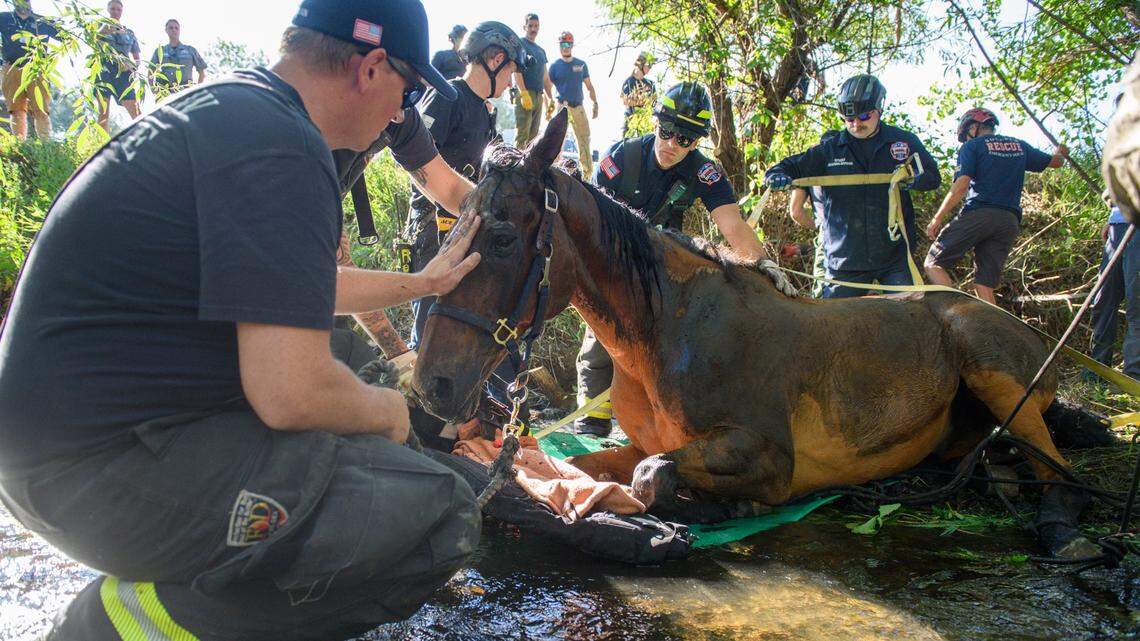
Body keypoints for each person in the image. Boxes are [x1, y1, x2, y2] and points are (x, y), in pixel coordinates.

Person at [0, 0, 489, 638]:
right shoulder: (284, 147)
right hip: (93, 468)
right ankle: (120, 625)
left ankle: (179, 582)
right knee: (438, 512)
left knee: (354, 389)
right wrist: (389, 412)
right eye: (405, 89)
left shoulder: (239, 112)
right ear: (370, 68)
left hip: (56, 447)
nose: (402, 113)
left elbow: (296, 290)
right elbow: (291, 392)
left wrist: (422, 285)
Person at [576, 81, 792, 436]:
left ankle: (662, 423)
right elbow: (587, 221)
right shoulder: (621, 159)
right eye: (667, 132)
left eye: (686, 140)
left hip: (661, 269)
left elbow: (731, 224)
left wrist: (763, 265)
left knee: (667, 342)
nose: (673, 145)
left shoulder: (703, 172)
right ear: (655, 123)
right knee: (601, 341)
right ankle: (590, 423)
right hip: (611, 261)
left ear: (697, 142)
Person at [406, 21, 526, 426]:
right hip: (433, 230)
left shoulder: (484, 113)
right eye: (510, 71)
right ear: (495, 60)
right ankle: (419, 418)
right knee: (430, 323)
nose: (511, 81)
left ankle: (485, 408)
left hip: (466, 229)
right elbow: (413, 156)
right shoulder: (448, 96)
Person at [765, 74, 941, 298]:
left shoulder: (902, 142)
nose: (856, 124)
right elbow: (786, 167)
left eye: (864, 116)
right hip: (845, 261)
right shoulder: (830, 150)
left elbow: (933, 177)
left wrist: (916, 180)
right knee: (833, 328)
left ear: (879, 108)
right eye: (848, 120)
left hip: (893, 256)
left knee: (910, 319)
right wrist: (776, 175)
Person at [923, 108, 1067, 304]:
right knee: (984, 283)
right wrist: (1060, 152)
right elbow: (1056, 162)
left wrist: (937, 218)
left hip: (980, 213)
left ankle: (955, 313)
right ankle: (992, 330)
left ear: (973, 127)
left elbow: (961, 185)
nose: (965, 140)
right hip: (1009, 221)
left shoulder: (972, 146)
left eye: (965, 135)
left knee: (933, 263)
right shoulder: (1019, 146)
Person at [1088, 192, 1140, 379]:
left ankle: (1133, 378)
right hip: (1118, 226)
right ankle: (1098, 369)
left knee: (1137, 306)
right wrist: (1114, 218)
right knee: (1103, 301)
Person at [0, 0, 58, 140]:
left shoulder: (42, 21)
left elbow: (66, 38)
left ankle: (46, 144)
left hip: (36, 69)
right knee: (16, 109)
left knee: (41, 109)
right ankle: (20, 144)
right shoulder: (4, 17)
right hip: (11, 67)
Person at [547, 31, 597, 176]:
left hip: (578, 107)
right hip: (562, 106)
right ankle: (552, 171)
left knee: (584, 139)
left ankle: (587, 174)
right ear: (559, 45)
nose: (565, 47)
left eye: (568, 44)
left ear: (572, 45)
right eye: (563, 44)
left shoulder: (580, 65)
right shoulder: (555, 66)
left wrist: (595, 103)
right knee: (556, 139)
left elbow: (589, 85)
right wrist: (549, 103)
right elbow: (547, 87)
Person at [94, 0, 142, 132]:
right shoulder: (99, 26)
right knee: (103, 114)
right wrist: (106, 28)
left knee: (136, 112)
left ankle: (145, 142)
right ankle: (102, 145)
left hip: (124, 75)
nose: (115, 12)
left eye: (118, 9)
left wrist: (131, 66)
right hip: (104, 71)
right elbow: (95, 40)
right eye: (113, 9)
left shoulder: (129, 33)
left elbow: (137, 59)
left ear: (122, 11)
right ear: (108, 10)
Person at [511, 12, 551, 149]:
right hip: (525, 94)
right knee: (522, 135)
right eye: (530, 26)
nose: (533, 29)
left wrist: (550, 99)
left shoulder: (541, 51)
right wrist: (523, 92)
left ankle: (529, 169)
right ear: (525, 27)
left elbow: (545, 77)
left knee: (533, 138)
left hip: (538, 96)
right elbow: (516, 69)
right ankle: (516, 168)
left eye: (536, 26)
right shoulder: (520, 44)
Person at [149, 18, 208, 98]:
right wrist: (154, 89)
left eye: (176, 28)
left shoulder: (190, 50)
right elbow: (151, 71)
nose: (174, 30)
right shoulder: (160, 51)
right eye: (171, 28)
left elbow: (201, 71)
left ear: (179, 30)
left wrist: (197, 91)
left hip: (186, 93)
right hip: (165, 93)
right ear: (166, 30)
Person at [619, 51, 654, 137]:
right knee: (625, 143)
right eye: (648, 65)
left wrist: (638, 101)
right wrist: (643, 102)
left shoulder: (650, 84)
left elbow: (653, 102)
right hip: (630, 121)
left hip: (646, 123)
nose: (650, 68)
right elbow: (625, 101)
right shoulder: (629, 81)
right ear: (641, 64)